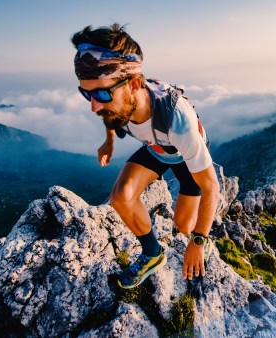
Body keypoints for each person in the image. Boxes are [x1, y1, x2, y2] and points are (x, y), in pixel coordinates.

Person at [71, 23, 220, 289]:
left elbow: (211, 186)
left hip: (183, 154)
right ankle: (153, 254)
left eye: (102, 93)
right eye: (86, 93)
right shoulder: (119, 102)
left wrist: (198, 242)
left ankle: (204, 241)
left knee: (184, 225)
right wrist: (109, 142)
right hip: (157, 148)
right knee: (121, 197)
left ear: (135, 84)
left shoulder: (177, 121)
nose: (94, 106)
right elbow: (110, 115)